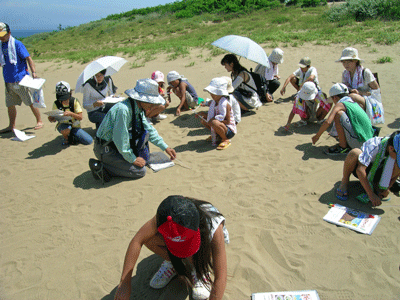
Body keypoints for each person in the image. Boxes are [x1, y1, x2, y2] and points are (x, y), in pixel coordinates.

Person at [113, 195, 229, 300]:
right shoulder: (166, 216)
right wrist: (125, 282)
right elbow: (137, 240)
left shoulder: (213, 224)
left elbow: (221, 276)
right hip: (177, 238)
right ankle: (174, 264)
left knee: (203, 256)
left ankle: (198, 271)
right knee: (148, 237)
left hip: (204, 247)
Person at [89, 78, 176, 182]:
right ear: (141, 99)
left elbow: (149, 129)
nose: (152, 105)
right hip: (106, 149)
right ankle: (102, 167)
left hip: (116, 146)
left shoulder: (138, 108)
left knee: (147, 158)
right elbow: (120, 139)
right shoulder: (123, 110)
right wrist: (133, 159)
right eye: (150, 102)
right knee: (139, 171)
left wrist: (165, 147)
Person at [0, 22, 43, 133]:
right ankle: (11, 125)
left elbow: (28, 58)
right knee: (10, 104)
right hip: (8, 80)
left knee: (30, 101)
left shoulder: (17, 44)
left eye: (3, 35)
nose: (1, 37)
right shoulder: (2, 46)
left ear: (9, 33)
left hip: (21, 79)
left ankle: (39, 121)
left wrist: (34, 72)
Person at [337, 131, 400, 206]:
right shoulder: (374, 145)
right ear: (391, 148)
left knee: (397, 165)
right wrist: (371, 195)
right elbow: (360, 170)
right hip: (364, 170)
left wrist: (387, 187)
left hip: (379, 172)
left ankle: (378, 187)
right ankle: (344, 181)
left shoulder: (393, 150)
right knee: (354, 153)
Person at [312, 83, 374, 155]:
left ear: (335, 98)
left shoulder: (340, 104)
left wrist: (316, 136)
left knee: (338, 115)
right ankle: (346, 144)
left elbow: (328, 122)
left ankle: (343, 147)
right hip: (368, 142)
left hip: (360, 145)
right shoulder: (353, 103)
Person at [336, 47, 384, 124]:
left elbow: (377, 91)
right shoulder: (345, 73)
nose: (345, 65)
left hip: (369, 100)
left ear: (355, 61)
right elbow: (345, 87)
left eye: (348, 62)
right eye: (343, 62)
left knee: (353, 97)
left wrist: (359, 93)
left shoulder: (365, 72)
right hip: (354, 97)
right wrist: (351, 91)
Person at [48, 81, 93, 146]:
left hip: (75, 125)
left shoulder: (74, 101)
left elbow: (80, 117)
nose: (64, 101)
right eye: (62, 99)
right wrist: (51, 118)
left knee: (89, 141)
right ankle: (66, 138)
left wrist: (71, 114)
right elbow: (54, 119)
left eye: (65, 98)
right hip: (63, 125)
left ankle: (72, 135)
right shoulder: (56, 104)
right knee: (66, 129)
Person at [199, 77, 237, 150]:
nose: (212, 95)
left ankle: (225, 139)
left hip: (229, 129)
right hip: (221, 125)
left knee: (214, 122)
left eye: (214, 93)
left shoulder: (225, 104)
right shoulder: (214, 102)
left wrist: (214, 121)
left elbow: (227, 121)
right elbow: (213, 117)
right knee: (203, 119)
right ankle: (218, 135)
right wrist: (204, 115)